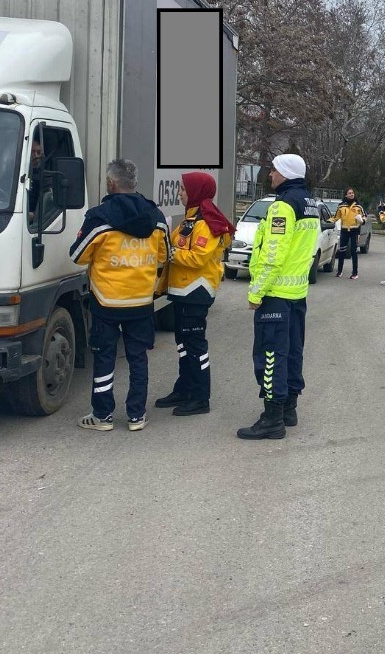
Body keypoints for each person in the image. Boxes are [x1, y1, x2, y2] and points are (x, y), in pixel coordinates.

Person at [69, 159, 170, 432]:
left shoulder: (99, 216)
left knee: (104, 357)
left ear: (111, 183)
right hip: (141, 301)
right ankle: (137, 416)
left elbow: (78, 256)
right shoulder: (156, 217)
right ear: (135, 183)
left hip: (107, 301)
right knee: (138, 357)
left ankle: (102, 416)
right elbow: (165, 255)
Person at [237, 153, 318, 440]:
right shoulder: (310, 204)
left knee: (270, 355)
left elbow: (273, 253)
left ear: (284, 173)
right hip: (297, 293)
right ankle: (289, 409)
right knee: (293, 351)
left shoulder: (283, 206)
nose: (270, 175)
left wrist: (256, 292)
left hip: (276, 294)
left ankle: (272, 418)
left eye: (273, 170)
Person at [154, 171, 235, 417]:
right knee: (183, 344)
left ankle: (200, 397)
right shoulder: (190, 219)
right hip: (182, 291)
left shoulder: (206, 222)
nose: (179, 192)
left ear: (196, 191)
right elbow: (174, 245)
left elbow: (197, 258)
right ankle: (185, 388)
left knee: (195, 346)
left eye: (182, 188)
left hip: (196, 292)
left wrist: (170, 252)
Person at [334, 187, 366, 280]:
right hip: (344, 230)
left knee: (353, 251)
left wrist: (362, 220)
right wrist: (328, 221)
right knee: (342, 250)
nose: (352, 194)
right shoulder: (341, 206)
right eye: (349, 193)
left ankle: (355, 273)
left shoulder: (358, 206)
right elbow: (336, 217)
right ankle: (339, 271)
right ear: (346, 195)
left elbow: (365, 216)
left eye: (352, 193)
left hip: (355, 230)